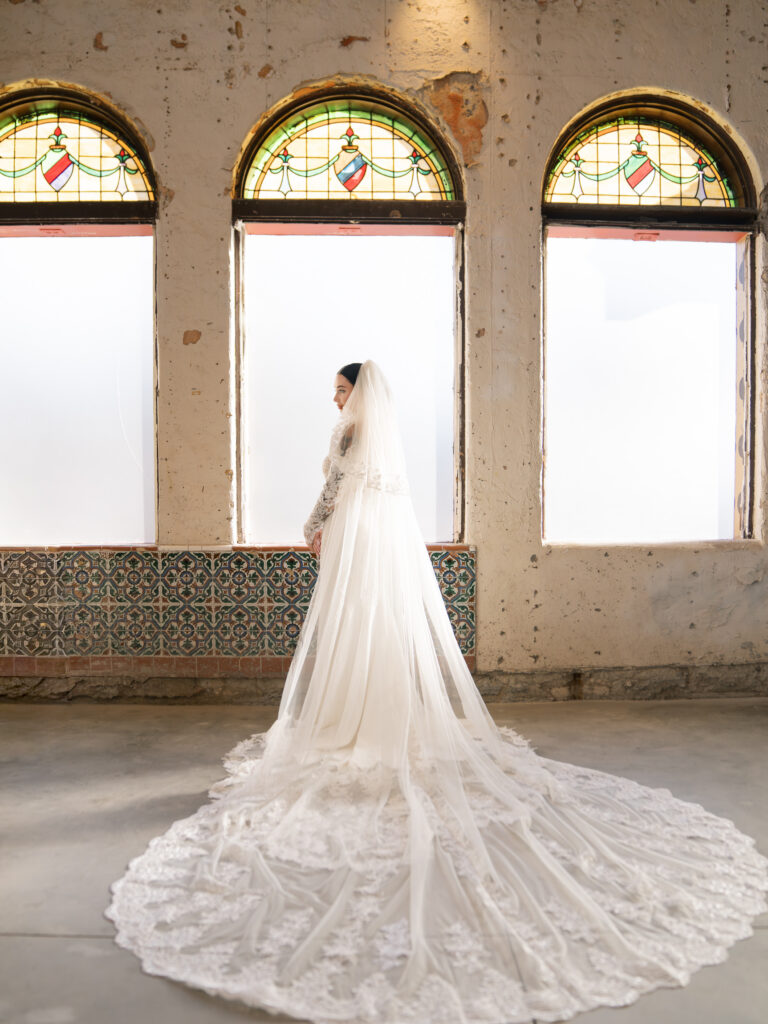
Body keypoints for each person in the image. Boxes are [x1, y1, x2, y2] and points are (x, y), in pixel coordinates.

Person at [107, 360, 768, 1024]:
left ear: (359, 393)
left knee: (354, 630)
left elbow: (335, 490)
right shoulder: (380, 436)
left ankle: (353, 719)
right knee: (377, 632)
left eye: (341, 389)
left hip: (349, 542)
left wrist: (311, 528)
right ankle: (372, 712)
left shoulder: (348, 435)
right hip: (377, 547)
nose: (336, 399)